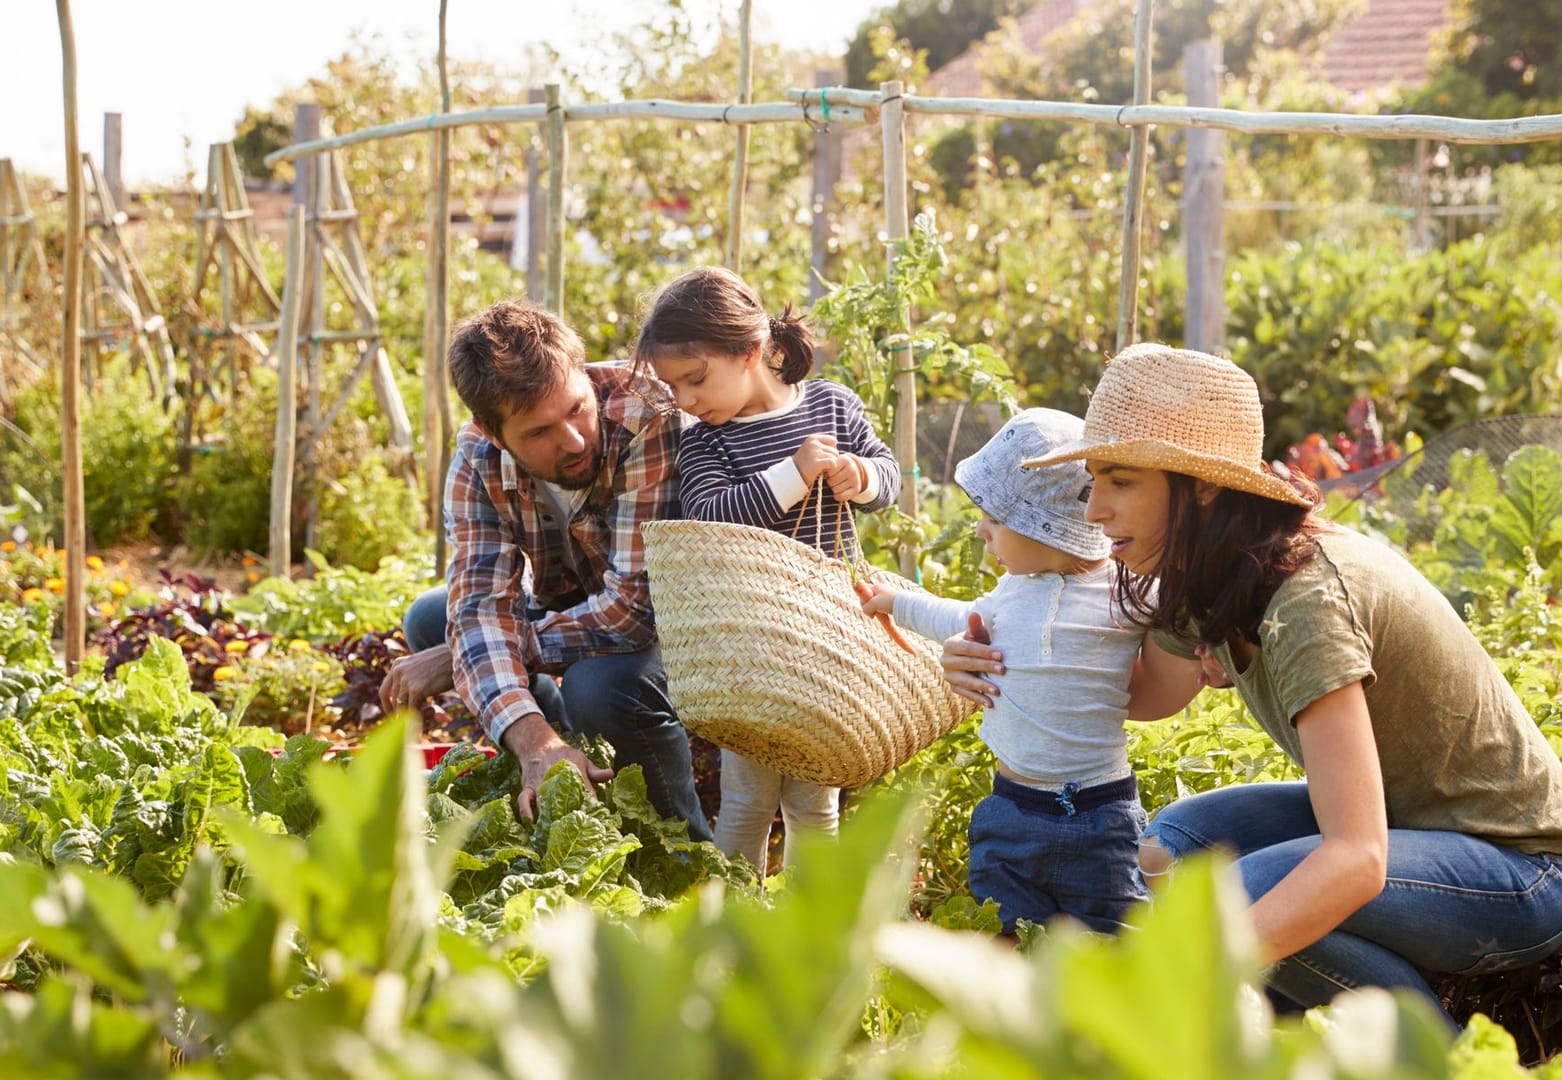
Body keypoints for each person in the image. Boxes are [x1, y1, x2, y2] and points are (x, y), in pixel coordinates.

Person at [948, 343, 1562, 1016]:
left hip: (1521, 868)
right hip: (1413, 828)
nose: (1094, 510)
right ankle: (1304, 1018)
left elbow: (1356, 858)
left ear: (1200, 484)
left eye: (1121, 481)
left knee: (1236, 903)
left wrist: (1181, 980)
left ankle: (1432, 1052)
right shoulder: (1209, 576)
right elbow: (1143, 695)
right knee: (1176, 850)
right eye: (1094, 481)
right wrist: (992, 656)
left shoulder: (1308, 604)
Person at [379, 300, 711, 840]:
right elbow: (479, 603)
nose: (574, 440)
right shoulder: (476, 461)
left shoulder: (644, 416)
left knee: (600, 687)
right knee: (433, 618)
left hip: (668, 621)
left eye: (576, 409)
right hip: (581, 604)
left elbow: (631, 612)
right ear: (492, 432)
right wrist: (534, 738)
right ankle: (559, 777)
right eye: (539, 432)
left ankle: (685, 848)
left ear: (585, 378)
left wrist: (481, 651)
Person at [637, 265, 899, 873]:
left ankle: (811, 925)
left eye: (695, 380)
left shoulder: (832, 406)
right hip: (749, 649)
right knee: (747, 799)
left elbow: (887, 476)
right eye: (673, 387)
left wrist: (859, 478)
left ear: (751, 351)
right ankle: (734, 926)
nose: (686, 401)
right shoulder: (705, 443)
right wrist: (794, 473)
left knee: (816, 798)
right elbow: (708, 514)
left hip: (824, 636)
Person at [863, 408, 1150, 934]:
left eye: (995, 520)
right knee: (1005, 932)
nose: (981, 532)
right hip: (1011, 808)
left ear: (1048, 529)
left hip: (1101, 816)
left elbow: (1188, 610)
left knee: (1115, 940)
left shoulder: (1127, 594)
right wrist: (896, 602)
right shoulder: (1007, 595)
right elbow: (953, 615)